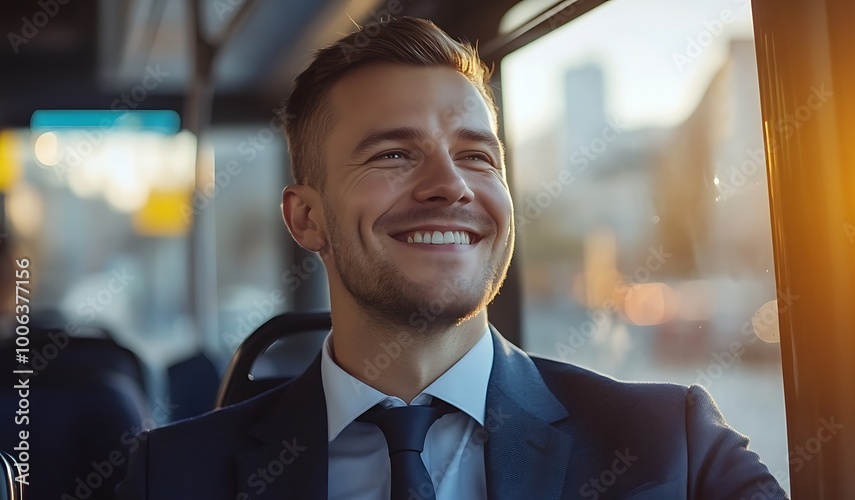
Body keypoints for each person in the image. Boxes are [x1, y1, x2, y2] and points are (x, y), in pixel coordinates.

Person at [117, 16, 787, 500]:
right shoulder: (167, 477)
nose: (451, 185)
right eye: (393, 154)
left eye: (476, 156)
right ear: (306, 218)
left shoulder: (674, 447)